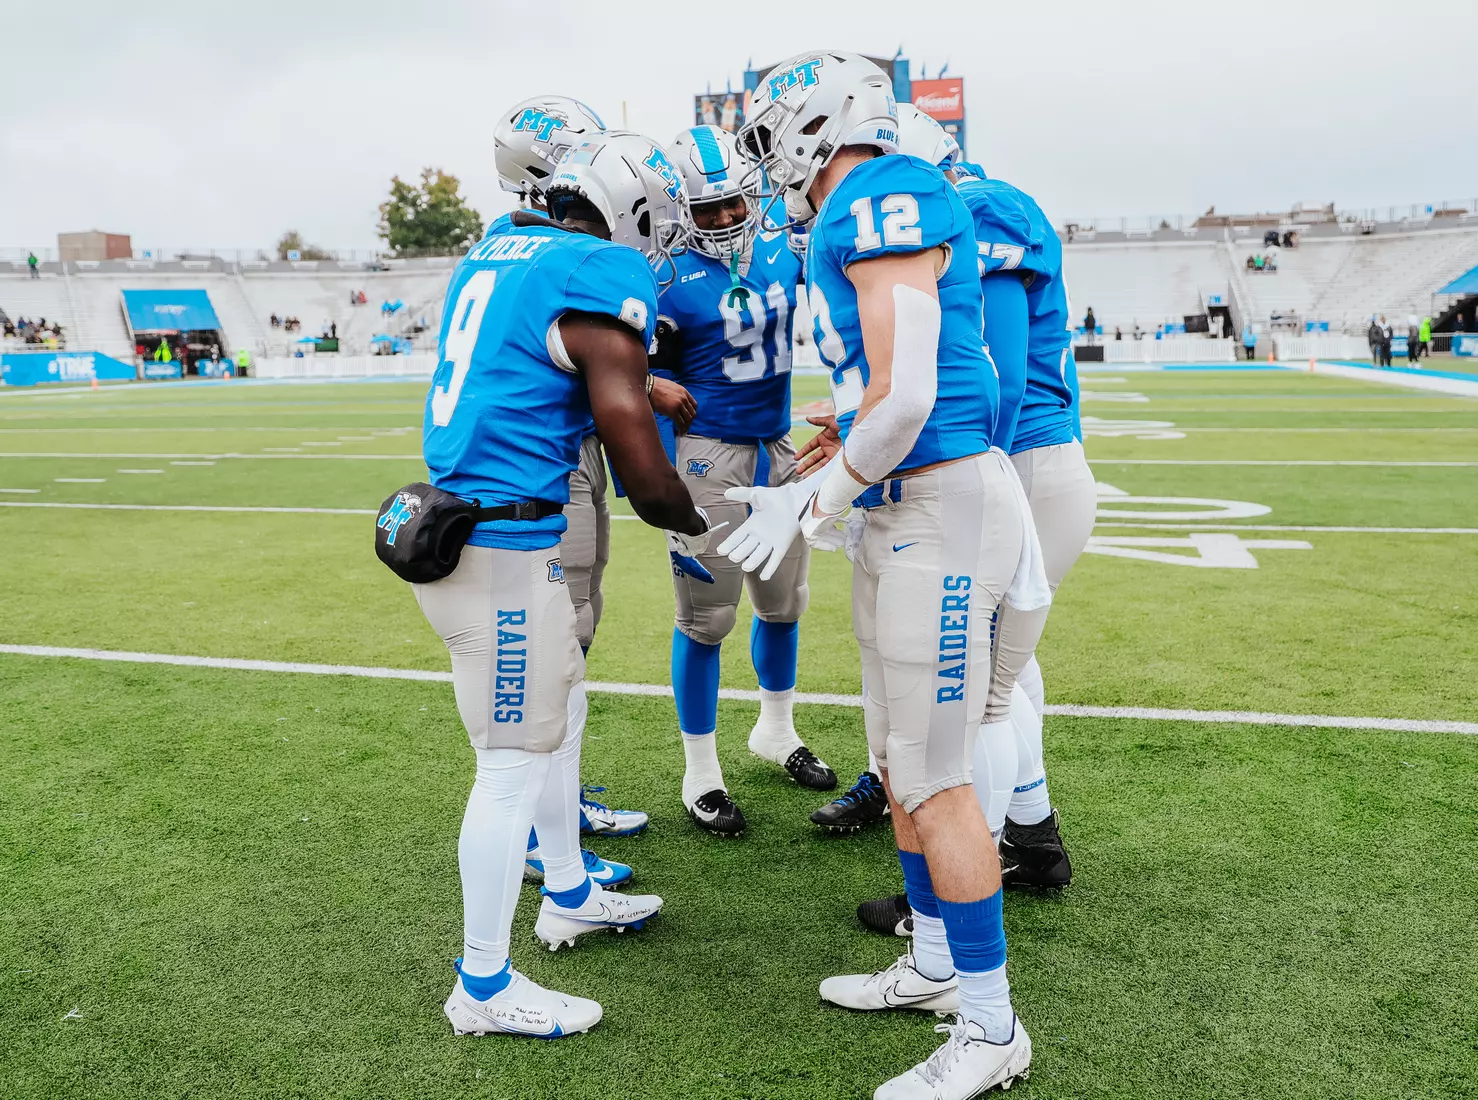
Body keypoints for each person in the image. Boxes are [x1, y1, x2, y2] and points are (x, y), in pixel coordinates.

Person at [724, 51, 1038, 1096]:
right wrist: (834, 443)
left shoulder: (880, 195)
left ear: (817, 124)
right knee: (899, 758)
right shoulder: (851, 208)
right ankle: (938, 963)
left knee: (936, 772)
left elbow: (907, 404)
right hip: (902, 505)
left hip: (936, 507)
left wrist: (813, 496)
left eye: (773, 125)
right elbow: (886, 393)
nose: (761, 147)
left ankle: (991, 1026)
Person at [408, 129, 717, 1039]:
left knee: (559, 712)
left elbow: (543, 361)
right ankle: (483, 985)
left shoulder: (501, 248)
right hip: (502, 548)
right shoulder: (598, 271)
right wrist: (708, 522)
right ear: (635, 213)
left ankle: (570, 890)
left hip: (481, 527)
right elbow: (638, 465)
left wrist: (643, 380)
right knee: (508, 767)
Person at [489, 96, 698, 869]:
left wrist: (646, 386)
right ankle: (550, 832)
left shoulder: (515, 248)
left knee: (578, 624)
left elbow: (563, 351)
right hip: (545, 468)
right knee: (561, 636)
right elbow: (566, 349)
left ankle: (558, 803)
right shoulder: (554, 255)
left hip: (568, 452)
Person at [655, 124, 833, 837]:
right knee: (707, 619)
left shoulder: (782, 249)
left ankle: (776, 731)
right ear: (678, 210)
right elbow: (610, 363)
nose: (728, 219)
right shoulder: (660, 274)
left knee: (785, 602)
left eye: (735, 204)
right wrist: (645, 382)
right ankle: (700, 772)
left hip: (778, 446)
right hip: (707, 458)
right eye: (709, 209)